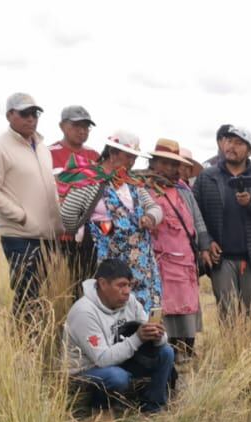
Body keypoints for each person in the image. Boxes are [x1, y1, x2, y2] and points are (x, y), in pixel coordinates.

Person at [59, 130, 163, 314]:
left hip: (140, 262)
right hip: (105, 259)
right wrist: (88, 230)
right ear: (113, 153)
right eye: (128, 156)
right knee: (108, 308)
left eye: (134, 157)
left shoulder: (132, 183)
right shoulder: (91, 180)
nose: (132, 162)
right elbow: (67, 216)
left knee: (140, 309)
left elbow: (155, 208)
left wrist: (150, 217)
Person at [192, 125, 251, 324]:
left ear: (249, 150)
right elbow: (194, 213)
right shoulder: (207, 177)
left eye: (239, 143)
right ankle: (230, 354)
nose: (231, 146)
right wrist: (206, 241)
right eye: (229, 141)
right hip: (221, 259)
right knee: (227, 314)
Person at [63, 257, 175, 414]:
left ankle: (153, 407)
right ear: (102, 284)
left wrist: (157, 336)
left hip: (119, 360)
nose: (127, 291)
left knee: (166, 352)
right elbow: (102, 360)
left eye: (129, 285)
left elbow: (157, 340)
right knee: (117, 377)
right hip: (86, 370)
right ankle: (100, 409)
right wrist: (138, 338)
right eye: (121, 285)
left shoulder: (130, 301)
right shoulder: (84, 312)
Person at [0, 92, 59, 310]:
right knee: (28, 296)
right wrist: (21, 216)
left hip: (48, 235)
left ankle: (43, 342)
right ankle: (26, 342)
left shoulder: (43, 148)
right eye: (25, 113)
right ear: (9, 115)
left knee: (48, 295)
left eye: (35, 113)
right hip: (20, 236)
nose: (31, 118)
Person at [139, 138, 209, 356]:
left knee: (186, 309)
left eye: (175, 165)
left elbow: (197, 221)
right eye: (166, 163)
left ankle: (186, 354)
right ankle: (163, 357)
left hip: (185, 263)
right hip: (157, 263)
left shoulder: (184, 191)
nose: (172, 169)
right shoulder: (141, 188)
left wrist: (204, 247)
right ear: (154, 163)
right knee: (162, 309)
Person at [50, 105, 99, 283]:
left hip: (89, 233)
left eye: (86, 126)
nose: (82, 131)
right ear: (62, 126)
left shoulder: (94, 156)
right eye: (77, 125)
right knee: (59, 282)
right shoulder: (48, 153)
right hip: (59, 233)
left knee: (86, 281)